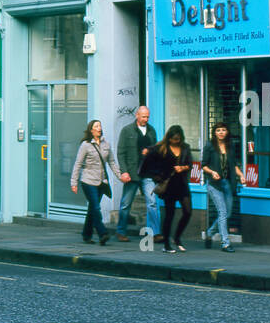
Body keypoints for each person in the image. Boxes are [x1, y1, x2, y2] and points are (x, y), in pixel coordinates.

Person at [69, 120, 118, 245]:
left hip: (101, 182)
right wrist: (73, 182)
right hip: (88, 181)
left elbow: (112, 162)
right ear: (91, 130)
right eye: (96, 126)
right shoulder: (85, 145)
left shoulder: (106, 144)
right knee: (96, 207)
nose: (99, 128)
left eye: (100, 126)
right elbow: (78, 164)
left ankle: (86, 234)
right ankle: (102, 233)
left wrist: (120, 176)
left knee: (92, 209)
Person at [114, 105, 158, 241]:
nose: (146, 119)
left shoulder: (151, 131)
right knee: (126, 203)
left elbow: (155, 150)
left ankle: (155, 233)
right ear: (137, 115)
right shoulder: (127, 130)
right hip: (132, 173)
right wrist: (124, 171)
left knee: (152, 203)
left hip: (147, 173)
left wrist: (150, 151)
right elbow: (120, 152)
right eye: (143, 116)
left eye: (147, 117)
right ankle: (121, 231)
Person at [148, 125, 194, 253]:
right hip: (168, 185)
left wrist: (182, 168)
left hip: (182, 184)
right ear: (169, 138)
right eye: (173, 139)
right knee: (169, 214)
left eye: (178, 139)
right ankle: (166, 244)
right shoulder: (162, 148)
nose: (175, 142)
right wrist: (158, 177)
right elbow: (151, 164)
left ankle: (177, 237)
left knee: (188, 211)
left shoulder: (185, 148)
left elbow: (190, 164)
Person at [202, 121, 245, 251]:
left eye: (223, 130)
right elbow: (203, 165)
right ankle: (225, 243)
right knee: (222, 212)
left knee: (228, 213)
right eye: (218, 130)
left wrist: (241, 175)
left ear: (227, 132)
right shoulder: (209, 146)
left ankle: (209, 234)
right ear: (214, 132)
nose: (221, 133)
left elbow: (234, 165)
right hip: (214, 184)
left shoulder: (230, 146)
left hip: (227, 183)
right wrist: (212, 172)